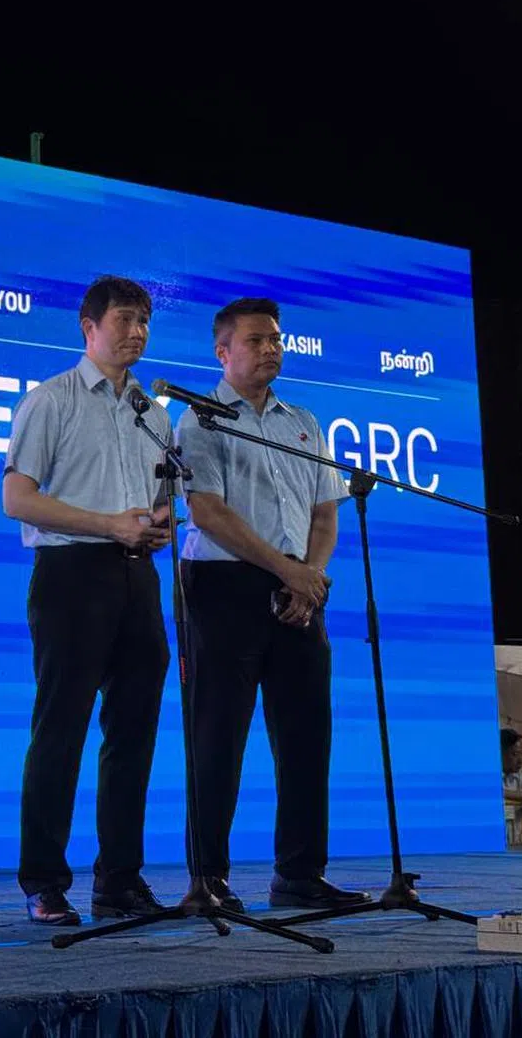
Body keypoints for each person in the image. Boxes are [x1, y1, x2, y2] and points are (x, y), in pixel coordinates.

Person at [176, 296, 368, 912]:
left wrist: (308, 578)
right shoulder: (198, 420)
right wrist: (289, 571)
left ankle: (300, 874)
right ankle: (209, 878)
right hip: (222, 590)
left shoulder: (303, 422)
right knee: (217, 739)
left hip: (299, 594)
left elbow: (324, 513)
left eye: (276, 340)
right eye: (256, 341)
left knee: (307, 738)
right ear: (223, 351)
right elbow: (208, 511)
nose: (270, 350)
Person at [3, 275, 173, 927]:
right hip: (70, 574)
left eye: (146, 321)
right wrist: (111, 524)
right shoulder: (52, 400)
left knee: (132, 734)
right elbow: (17, 499)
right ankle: (44, 880)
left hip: (137, 576)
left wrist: (157, 522)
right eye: (126, 319)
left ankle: (119, 879)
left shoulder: (152, 413)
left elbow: (154, 499)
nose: (138, 332)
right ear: (89, 327)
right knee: (61, 731)